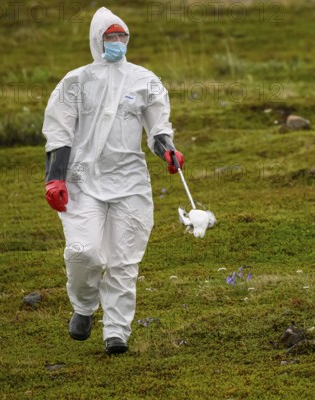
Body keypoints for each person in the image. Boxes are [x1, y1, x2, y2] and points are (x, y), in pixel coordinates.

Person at [42, 7, 184, 355]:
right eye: (110, 37)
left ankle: (117, 331)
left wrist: (167, 151)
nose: (117, 43)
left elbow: (158, 127)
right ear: (96, 40)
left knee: (124, 259)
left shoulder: (144, 80)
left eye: (122, 37)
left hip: (129, 182)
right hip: (83, 180)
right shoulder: (76, 81)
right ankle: (84, 305)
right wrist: (54, 177)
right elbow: (58, 131)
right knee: (84, 252)